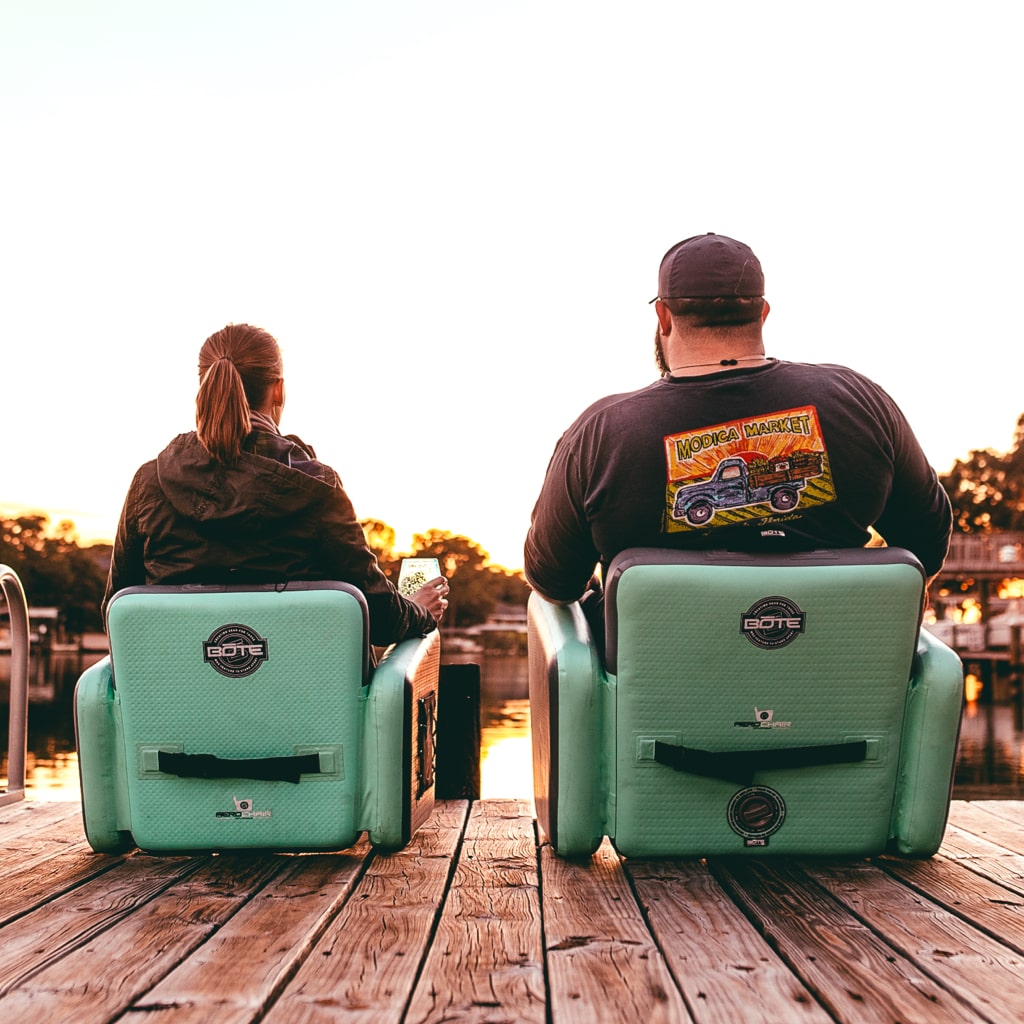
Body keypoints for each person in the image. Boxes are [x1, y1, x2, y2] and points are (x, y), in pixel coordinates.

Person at [524, 232, 952, 617]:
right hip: (838, 691)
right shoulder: (859, 400)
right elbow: (926, 540)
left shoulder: (602, 433)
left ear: (664, 318)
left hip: (655, 699)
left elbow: (554, 583)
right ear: (763, 312)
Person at [104, 323, 448, 646]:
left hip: (171, 704)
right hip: (304, 706)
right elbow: (380, 618)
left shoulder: (149, 482)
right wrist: (420, 610)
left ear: (203, 385)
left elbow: (116, 611)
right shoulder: (316, 487)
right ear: (278, 388)